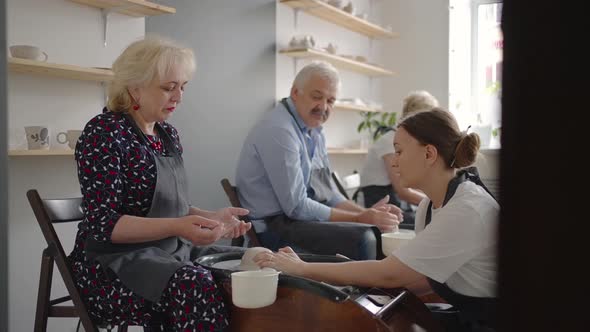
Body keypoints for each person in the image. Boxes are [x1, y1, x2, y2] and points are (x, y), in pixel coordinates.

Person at [255, 108, 499, 331]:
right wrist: (356, 289)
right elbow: (422, 278)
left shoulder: (466, 208)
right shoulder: (428, 206)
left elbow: (390, 274)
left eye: (400, 151)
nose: (394, 161)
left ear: (429, 153)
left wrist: (303, 269)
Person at [68, 36, 251, 331]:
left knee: (249, 264)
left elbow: (170, 207)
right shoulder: (103, 133)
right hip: (112, 267)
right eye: (169, 88)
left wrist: (210, 217)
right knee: (196, 283)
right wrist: (179, 227)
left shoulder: (167, 135)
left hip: (167, 253)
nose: (179, 97)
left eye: (183, 86)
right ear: (135, 86)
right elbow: (104, 224)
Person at [235, 61, 402, 260]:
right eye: (317, 97)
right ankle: (366, 291)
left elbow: (329, 194)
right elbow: (296, 207)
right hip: (273, 228)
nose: (323, 107)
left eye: (331, 101)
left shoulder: (314, 131)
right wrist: (359, 218)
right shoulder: (280, 131)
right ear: (295, 92)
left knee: (376, 229)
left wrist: (367, 214)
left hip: (297, 221)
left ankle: (377, 289)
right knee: (365, 236)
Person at [358, 90, 439, 229]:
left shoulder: (405, 140)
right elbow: (403, 191)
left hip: (396, 201)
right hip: (381, 204)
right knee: (431, 222)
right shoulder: (390, 141)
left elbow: (412, 185)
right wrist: (437, 204)